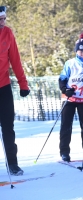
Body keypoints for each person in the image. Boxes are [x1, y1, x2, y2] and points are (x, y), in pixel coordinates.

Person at [0, 5, 30, 175]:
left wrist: (23, 84)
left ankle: (12, 163)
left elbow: (15, 60)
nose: (3, 22)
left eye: (4, 19)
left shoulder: (7, 33)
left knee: (8, 127)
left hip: (3, 86)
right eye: (0, 20)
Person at [58, 33, 83, 162]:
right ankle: (64, 152)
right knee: (66, 126)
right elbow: (62, 79)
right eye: (81, 50)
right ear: (76, 51)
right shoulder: (70, 63)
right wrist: (65, 89)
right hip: (70, 99)